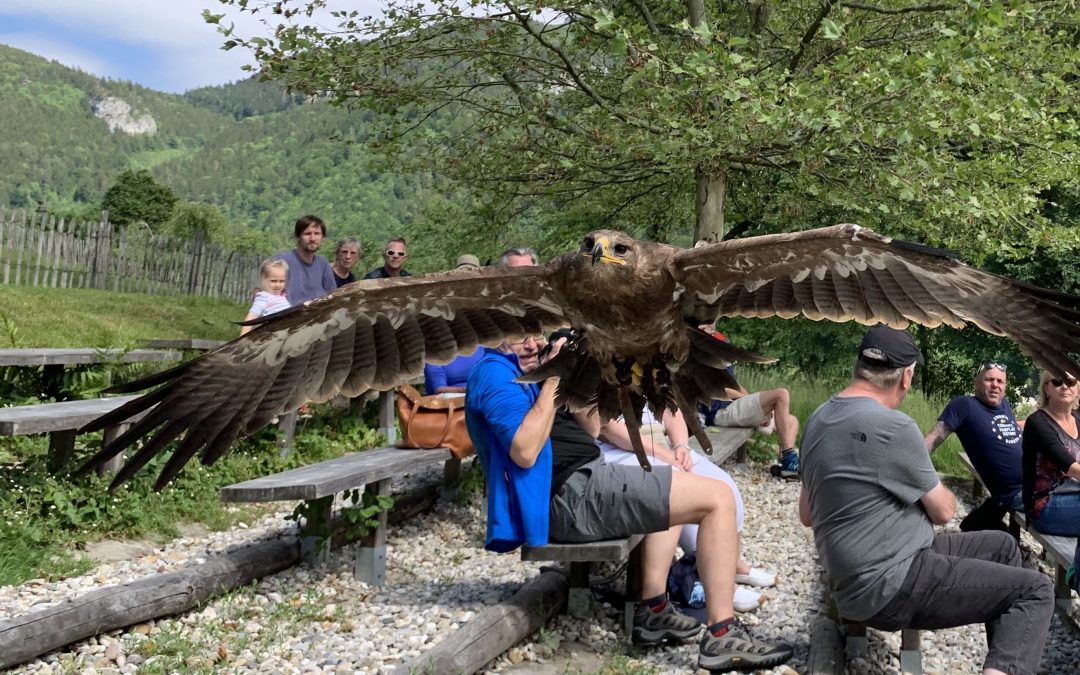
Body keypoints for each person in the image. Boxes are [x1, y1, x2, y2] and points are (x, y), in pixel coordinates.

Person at [465, 331, 792, 671]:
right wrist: (551, 382)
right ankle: (723, 634)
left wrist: (573, 375)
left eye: (536, 334)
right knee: (717, 497)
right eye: (521, 337)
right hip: (569, 495)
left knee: (675, 486)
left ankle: (652, 609)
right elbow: (524, 450)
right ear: (495, 336)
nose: (532, 343)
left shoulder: (530, 367)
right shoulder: (494, 373)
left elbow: (592, 428)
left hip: (585, 478)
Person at [800, 324, 1053, 675]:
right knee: (1037, 590)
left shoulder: (817, 420)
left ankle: (1009, 661)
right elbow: (945, 511)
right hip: (892, 584)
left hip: (854, 580)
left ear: (860, 365)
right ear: (906, 377)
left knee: (1003, 548)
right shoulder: (895, 427)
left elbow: (807, 514)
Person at [597, 407, 776, 612]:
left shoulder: (652, 374)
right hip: (615, 451)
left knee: (725, 485)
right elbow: (607, 427)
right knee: (676, 486)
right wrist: (664, 455)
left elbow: (671, 410)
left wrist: (681, 445)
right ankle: (710, 581)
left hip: (659, 446)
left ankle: (731, 565)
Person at [925, 362, 1023, 531]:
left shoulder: (1005, 405)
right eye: (989, 380)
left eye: (1000, 382)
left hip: (1035, 482)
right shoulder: (964, 406)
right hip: (1016, 492)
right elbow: (932, 439)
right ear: (976, 383)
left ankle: (976, 524)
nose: (995, 385)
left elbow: (1010, 431)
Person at [697, 324, 800, 479]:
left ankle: (786, 467)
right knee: (781, 395)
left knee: (792, 421)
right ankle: (789, 458)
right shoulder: (700, 362)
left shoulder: (723, 357)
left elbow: (737, 386)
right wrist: (754, 406)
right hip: (720, 413)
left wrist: (761, 409)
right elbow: (718, 388)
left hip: (735, 410)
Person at [1022, 370, 1080, 539]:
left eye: (1071, 382)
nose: (1064, 387)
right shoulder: (1037, 422)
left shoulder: (1078, 418)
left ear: (1077, 388)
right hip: (1046, 505)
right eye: (1057, 382)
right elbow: (1070, 467)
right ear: (1046, 389)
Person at [273, 215, 336, 304]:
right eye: (307, 234)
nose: (313, 239)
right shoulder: (282, 260)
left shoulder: (323, 263)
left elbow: (332, 295)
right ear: (298, 236)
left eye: (317, 234)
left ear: (323, 237)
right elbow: (261, 290)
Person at [240, 259, 290, 336]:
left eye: (281, 281)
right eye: (273, 281)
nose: (278, 285)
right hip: (273, 335)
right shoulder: (264, 297)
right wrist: (242, 337)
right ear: (263, 280)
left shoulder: (282, 296)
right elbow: (251, 316)